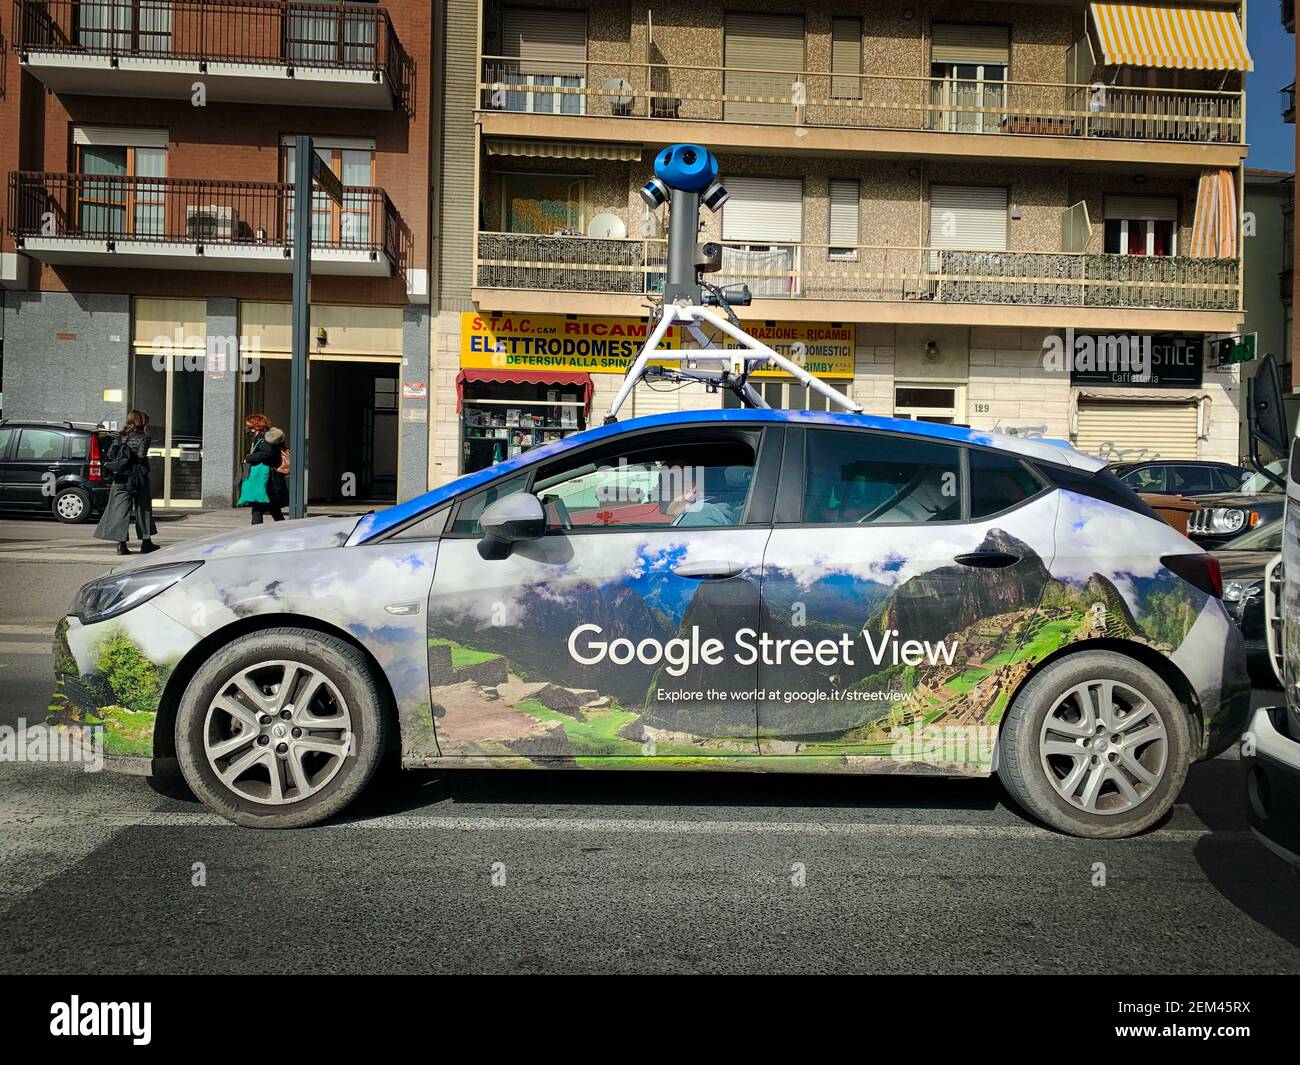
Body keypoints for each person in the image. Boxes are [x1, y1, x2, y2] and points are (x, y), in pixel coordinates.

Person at [94, 409, 159, 555]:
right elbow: (141, 456)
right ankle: (146, 543)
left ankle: (121, 546)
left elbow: (111, 455)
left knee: (120, 511)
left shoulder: (119, 437)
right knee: (143, 509)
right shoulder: (144, 437)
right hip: (137, 478)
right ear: (141, 422)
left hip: (120, 479)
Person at [244, 414, 290, 524]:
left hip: (266, 480)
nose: (247, 429)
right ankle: (283, 530)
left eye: (249, 426)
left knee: (258, 507)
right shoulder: (267, 438)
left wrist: (249, 458)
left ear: (256, 426)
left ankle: (256, 532)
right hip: (271, 479)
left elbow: (267, 453)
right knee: (273, 508)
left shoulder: (263, 439)